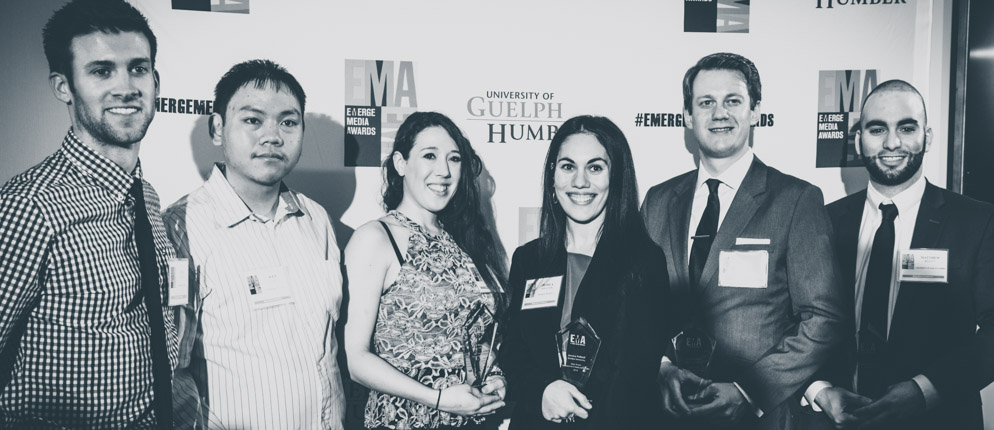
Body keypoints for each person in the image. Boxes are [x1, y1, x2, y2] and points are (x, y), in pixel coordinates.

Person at [641, 52, 849, 429]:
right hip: (667, 413)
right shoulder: (658, 201)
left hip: (757, 418)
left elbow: (823, 317)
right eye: (706, 102)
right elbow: (638, 307)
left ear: (755, 112)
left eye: (733, 101)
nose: (719, 113)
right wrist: (661, 367)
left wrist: (749, 389)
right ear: (687, 116)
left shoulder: (795, 200)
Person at [0, 0, 177, 427]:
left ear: (155, 79)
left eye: (138, 68)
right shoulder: (30, 205)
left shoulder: (148, 198)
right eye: (101, 71)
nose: (126, 87)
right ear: (64, 86)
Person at [164, 59, 346, 428]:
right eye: (252, 120)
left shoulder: (317, 219)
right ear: (217, 128)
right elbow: (169, 367)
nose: (273, 135)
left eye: (288, 122)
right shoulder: (180, 227)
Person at [813, 79, 994, 430]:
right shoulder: (824, 221)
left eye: (906, 128)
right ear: (858, 140)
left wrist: (925, 390)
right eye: (877, 129)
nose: (892, 142)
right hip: (837, 422)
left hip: (941, 419)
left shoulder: (978, 222)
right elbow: (796, 320)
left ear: (927, 136)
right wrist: (819, 390)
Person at [501, 115, 672, 429]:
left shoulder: (644, 261)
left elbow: (638, 373)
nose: (580, 181)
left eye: (595, 167)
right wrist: (543, 390)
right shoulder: (529, 260)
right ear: (553, 178)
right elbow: (512, 353)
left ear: (615, 177)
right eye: (568, 166)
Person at [344, 111, 508, 429]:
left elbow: (473, 335)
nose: (444, 171)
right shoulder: (376, 238)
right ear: (401, 163)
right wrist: (437, 399)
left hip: (472, 422)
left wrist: (495, 377)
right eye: (430, 156)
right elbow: (356, 360)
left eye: (454, 159)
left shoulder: (464, 241)